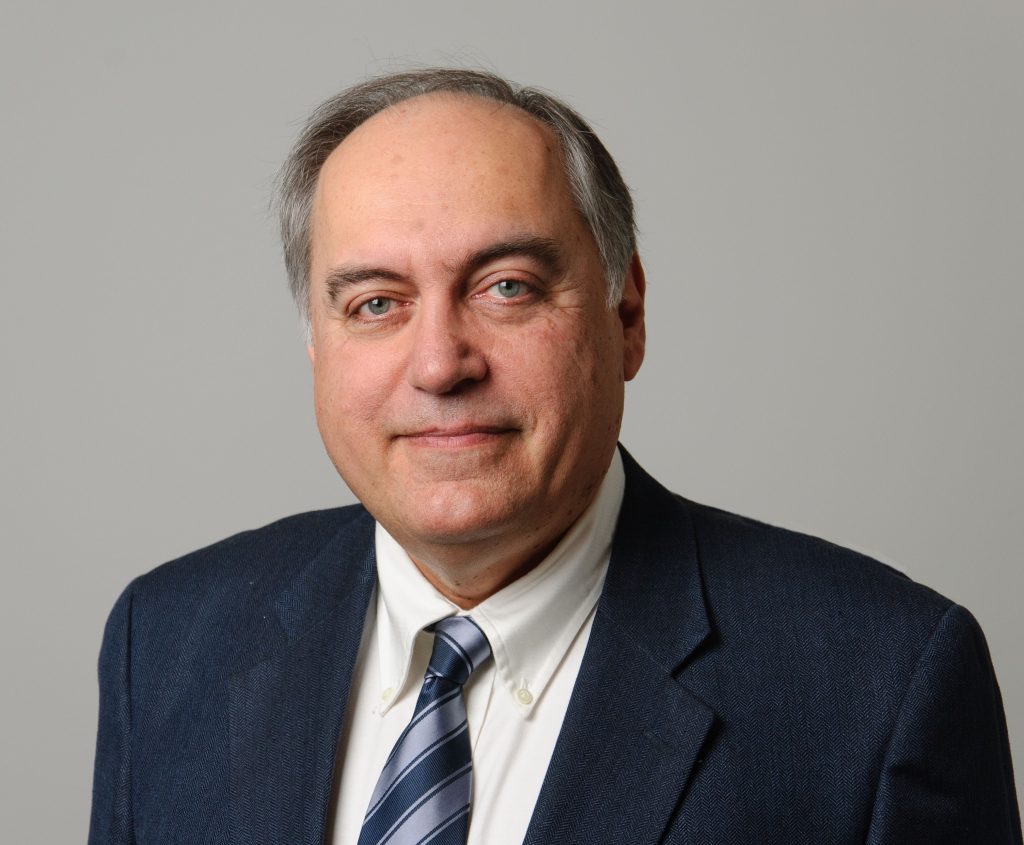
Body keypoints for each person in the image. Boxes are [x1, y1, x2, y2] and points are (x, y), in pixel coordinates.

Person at [88, 68, 1022, 845]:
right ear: (317, 347)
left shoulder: (881, 685)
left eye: (507, 287)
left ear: (627, 316)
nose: (440, 362)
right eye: (376, 302)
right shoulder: (166, 643)